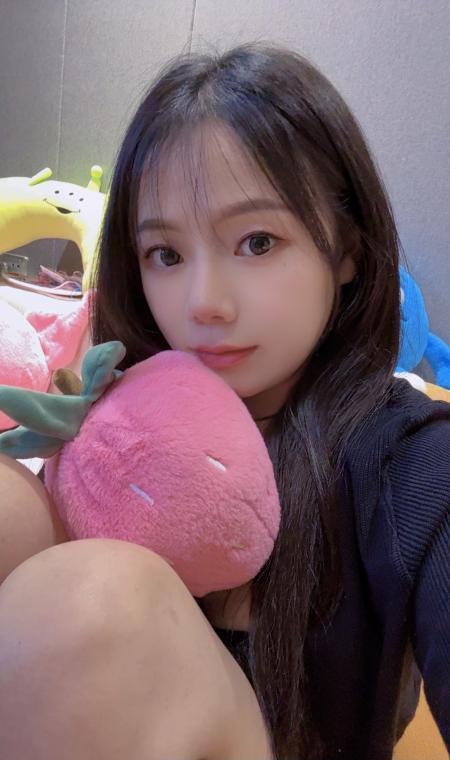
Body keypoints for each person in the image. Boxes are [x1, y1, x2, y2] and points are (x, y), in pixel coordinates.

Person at [0, 43, 448, 760]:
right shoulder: (117, 419)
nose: (203, 302)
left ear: (346, 250)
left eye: (257, 241)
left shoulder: (410, 458)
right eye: (167, 255)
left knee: (96, 596)